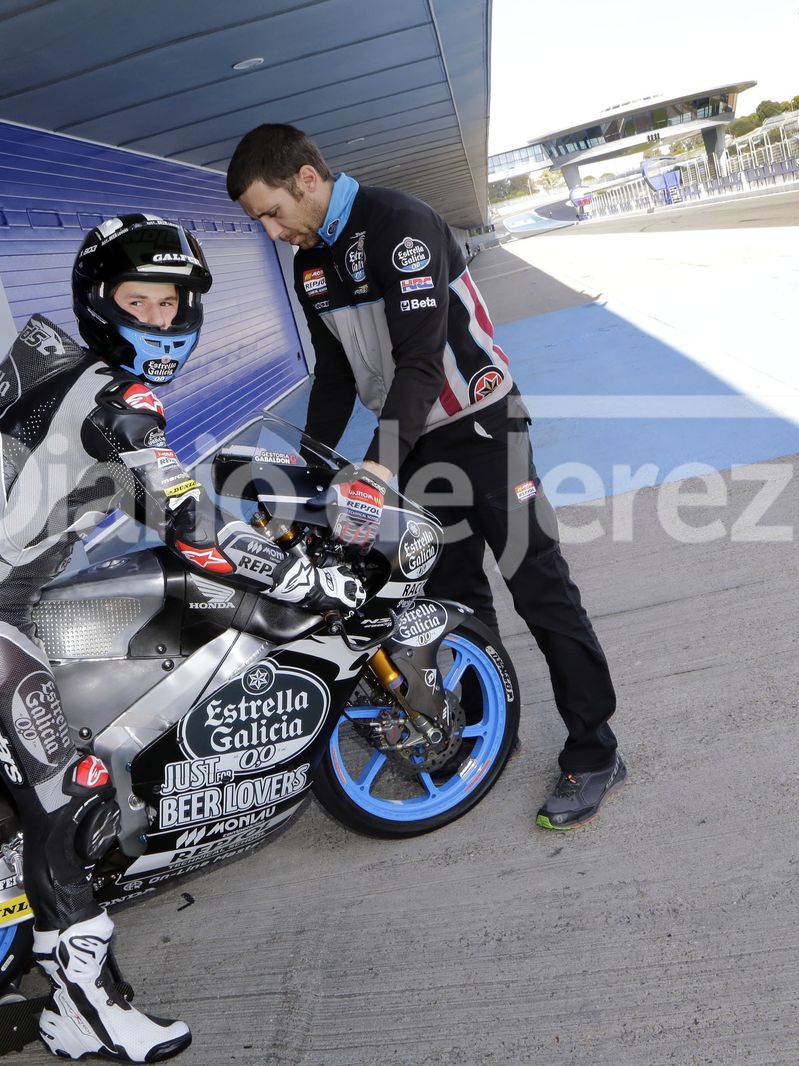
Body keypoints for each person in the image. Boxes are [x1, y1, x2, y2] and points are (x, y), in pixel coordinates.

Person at [0, 213, 363, 1063]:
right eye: (137, 302)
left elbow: (93, 482)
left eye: (169, 304)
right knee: (70, 795)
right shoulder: (121, 398)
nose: (156, 321)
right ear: (98, 303)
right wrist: (302, 578)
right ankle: (84, 1012)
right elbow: (189, 525)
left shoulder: (62, 365)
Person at [226, 123, 626, 832]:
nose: (269, 230)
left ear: (307, 180)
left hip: (482, 427)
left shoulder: (401, 224)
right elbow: (336, 374)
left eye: (270, 211)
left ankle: (595, 753)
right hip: (411, 444)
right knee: (452, 598)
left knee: (539, 585)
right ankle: (485, 732)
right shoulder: (309, 263)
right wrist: (306, 460)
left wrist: (378, 463)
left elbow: (418, 358)